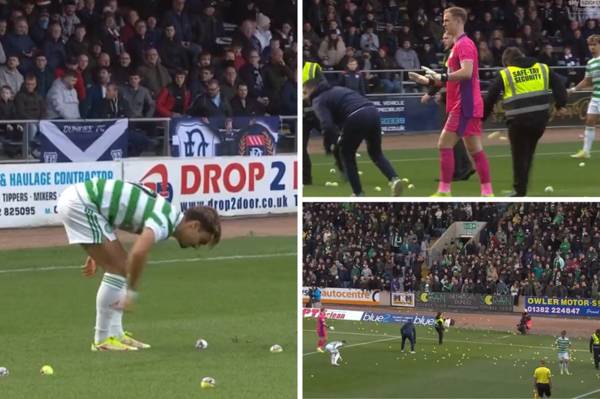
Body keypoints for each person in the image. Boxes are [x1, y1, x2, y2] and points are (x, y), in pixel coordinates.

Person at [55, 178, 221, 351]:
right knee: (118, 267)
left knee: (120, 266)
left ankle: (116, 335)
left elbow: (115, 206)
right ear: (194, 226)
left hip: (83, 201)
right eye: (201, 241)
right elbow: (139, 253)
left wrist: (98, 253)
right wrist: (131, 293)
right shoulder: (165, 220)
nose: (196, 246)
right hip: (81, 203)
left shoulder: (168, 214)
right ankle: (102, 339)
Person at [420, 7, 493, 197]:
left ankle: (445, 190)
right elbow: (452, 78)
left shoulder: (464, 45)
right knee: (475, 149)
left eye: (446, 20)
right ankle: (487, 192)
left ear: (459, 21)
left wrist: (442, 76)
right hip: (466, 104)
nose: (443, 24)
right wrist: (428, 81)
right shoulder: (457, 47)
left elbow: (467, 73)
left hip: (465, 104)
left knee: (444, 144)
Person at [303, 61, 403, 197]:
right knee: (376, 152)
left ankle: (358, 193)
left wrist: (328, 144)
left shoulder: (318, 100)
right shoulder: (337, 89)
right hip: (372, 111)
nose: (304, 95)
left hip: (355, 116)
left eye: (304, 91)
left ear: (310, 88)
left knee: (347, 155)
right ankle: (394, 178)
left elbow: (327, 125)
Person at [483, 47, 567, 197]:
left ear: (507, 63)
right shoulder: (542, 68)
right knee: (528, 153)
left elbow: (491, 96)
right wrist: (560, 104)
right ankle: (522, 189)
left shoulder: (507, 73)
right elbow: (560, 85)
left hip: (518, 121)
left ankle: (519, 191)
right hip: (539, 121)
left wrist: (482, 117)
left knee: (519, 155)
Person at [410, 32, 474, 182]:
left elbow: (452, 79)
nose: (443, 40)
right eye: (443, 37)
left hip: (456, 100)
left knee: (449, 137)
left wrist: (435, 93)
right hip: (452, 99)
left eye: (446, 37)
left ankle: (460, 169)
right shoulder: (449, 54)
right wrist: (434, 92)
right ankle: (464, 167)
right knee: (453, 136)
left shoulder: (454, 54)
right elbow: (444, 79)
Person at [568, 35, 600, 159]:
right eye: (590, 45)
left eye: (594, 45)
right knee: (590, 121)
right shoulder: (590, 63)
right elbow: (587, 81)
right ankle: (586, 152)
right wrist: (573, 89)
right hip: (596, 97)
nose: (592, 47)